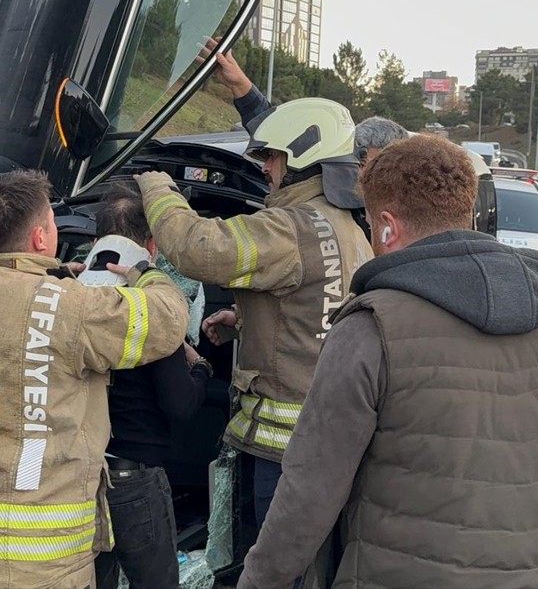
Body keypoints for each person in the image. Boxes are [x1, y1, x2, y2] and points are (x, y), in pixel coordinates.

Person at [239, 135, 538, 589]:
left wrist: (259, 579)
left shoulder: (371, 328)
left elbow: (309, 494)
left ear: (387, 226)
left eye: (370, 226)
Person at [0, 170, 188, 589]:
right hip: (39, 555)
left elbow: (14, 317)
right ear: (40, 238)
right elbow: (167, 319)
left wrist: (53, 275)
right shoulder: (73, 308)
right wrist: (146, 272)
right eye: (51, 222)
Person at [133, 98, 373, 529]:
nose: (265, 166)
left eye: (272, 155)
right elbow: (317, 310)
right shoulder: (346, 227)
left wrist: (156, 189)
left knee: (271, 560)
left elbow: (199, 249)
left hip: (283, 452)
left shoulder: (289, 227)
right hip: (323, 439)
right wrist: (247, 322)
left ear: (302, 157)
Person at [88, 184, 213, 589]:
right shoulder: (151, 310)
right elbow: (180, 405)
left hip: (79, 476)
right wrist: (202, 368)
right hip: (133, 480)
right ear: (152, 247)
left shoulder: (70, 298)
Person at [203, 38, 409, 164]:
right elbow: (276, 134)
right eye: (359, 161)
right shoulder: (325, 179)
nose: (362, 175)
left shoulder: (392, 216)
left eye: (373, 168)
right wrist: (239, 84)